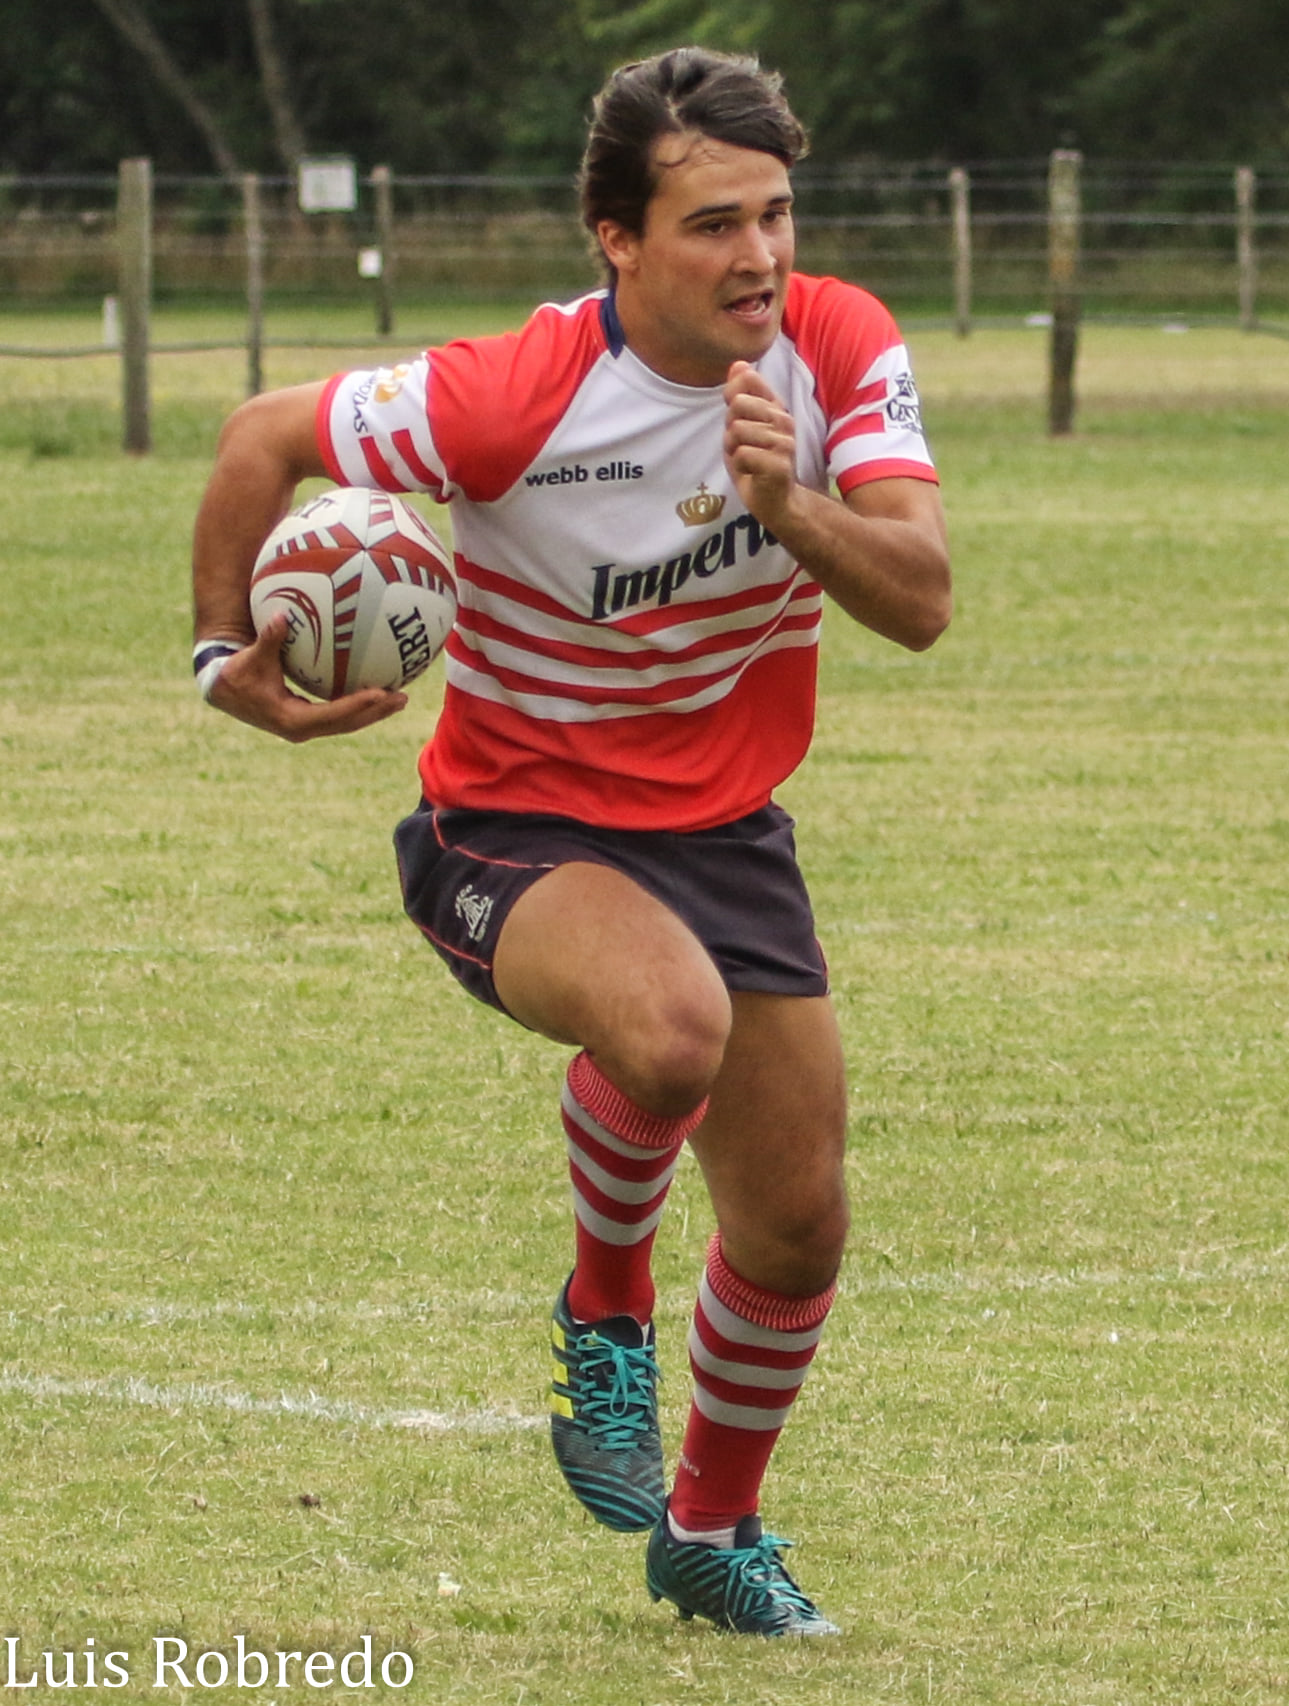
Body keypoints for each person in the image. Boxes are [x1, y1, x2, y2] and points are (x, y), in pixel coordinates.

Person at [190, 46, 950, 1637]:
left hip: (726, 830)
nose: (758, 258)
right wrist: (223, 663)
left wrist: (790, 503)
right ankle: (605, 1296)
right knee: (669, 1026)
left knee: (797, 1218)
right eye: (711, 226)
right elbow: (260, 438)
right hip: (511, 826)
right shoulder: (508, 393)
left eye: (776, 216)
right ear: (615, 237)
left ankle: (710, 1529)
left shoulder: (835, 342)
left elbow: (920, 597)